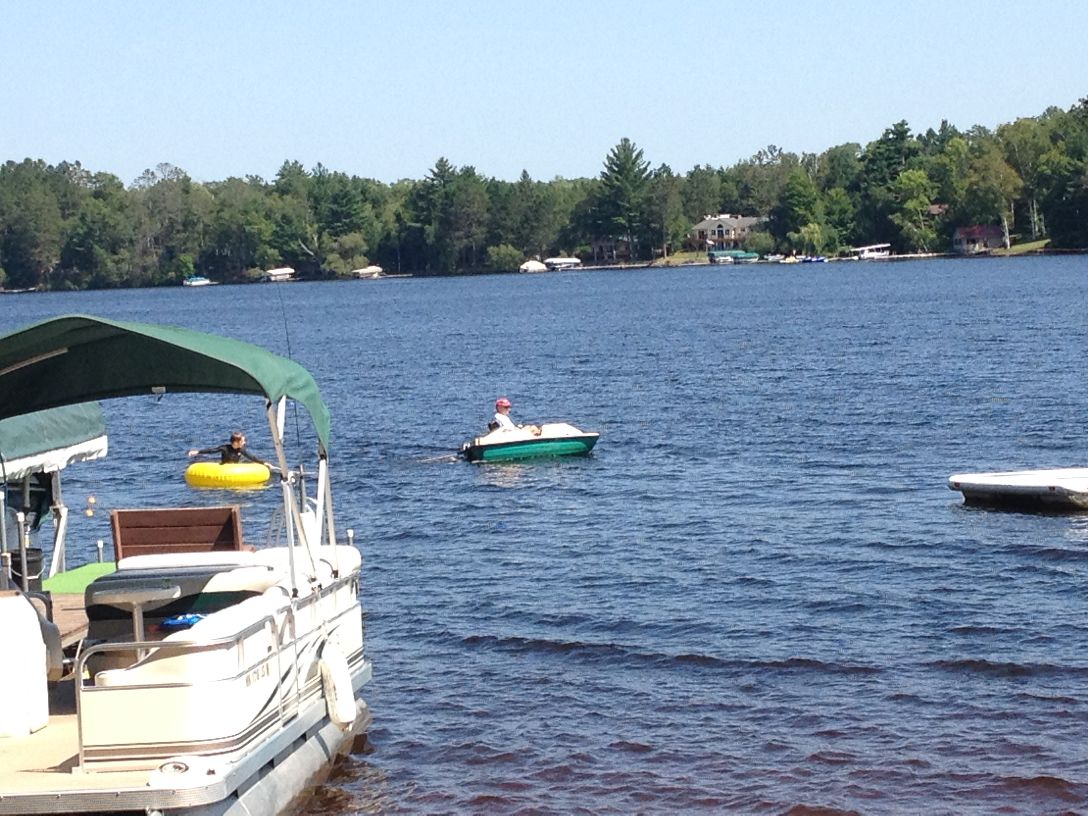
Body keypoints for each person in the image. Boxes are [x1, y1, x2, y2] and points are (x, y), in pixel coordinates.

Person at [187, 431, 271, 466]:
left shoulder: (241, 449)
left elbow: (251, 457)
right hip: (224, 467)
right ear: (235, 442)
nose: (244, 443)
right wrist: (197, 452)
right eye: (242, 441)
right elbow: (212, 450)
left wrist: (264, 463)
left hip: (234, 468)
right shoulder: (225, 448)